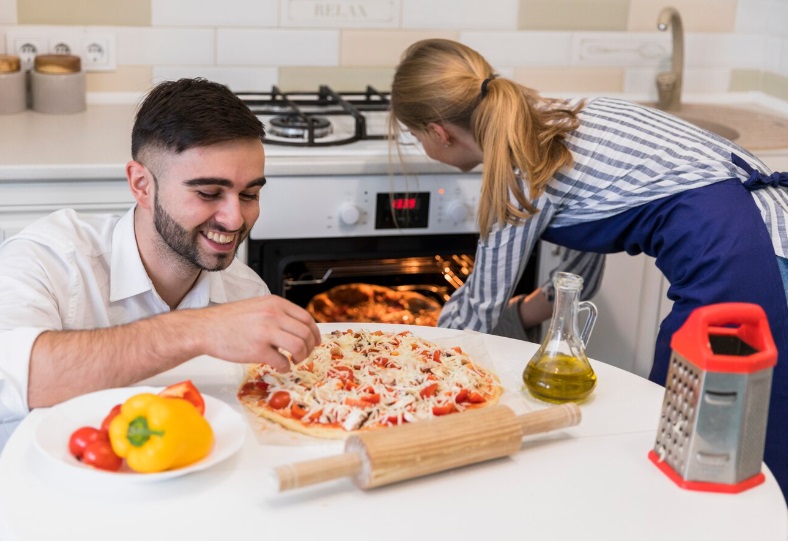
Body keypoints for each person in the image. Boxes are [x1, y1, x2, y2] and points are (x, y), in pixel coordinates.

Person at [389, 38, 788, 496]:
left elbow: (475, 311)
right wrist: (521, 317)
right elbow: (576, 283)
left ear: (439, 131)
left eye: (416, 137)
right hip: (762, 237)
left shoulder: (519, 172)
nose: (421, 149)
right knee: (716, 437)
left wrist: (412, 377)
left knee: (705, 446)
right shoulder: (552, 122)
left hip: (742, 255)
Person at [0, 78, 321, 449]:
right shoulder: (47, 258)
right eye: (208, 193)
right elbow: (13, 378)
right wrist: (197, 329)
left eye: (249, 194)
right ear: (141, 185)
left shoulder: (246, 292)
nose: (234, 220)